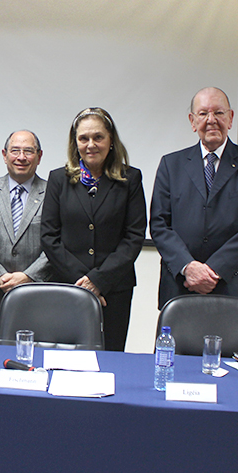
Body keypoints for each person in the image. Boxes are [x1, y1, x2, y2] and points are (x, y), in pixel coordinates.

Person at [149, 87, 238, 310]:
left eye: (219, 112)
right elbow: (159, 225)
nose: (211, 120)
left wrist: (214, 270)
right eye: (203, 113)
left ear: (231, 118)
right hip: (181, 285)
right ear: (192, 121)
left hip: (236, 286)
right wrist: (189, 267)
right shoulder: (171, 165)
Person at [41, 107, 146, 351]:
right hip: (68, 286)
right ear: (75, 142)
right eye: (83, 138)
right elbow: (49, 236)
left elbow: (133, 237)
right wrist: (84, 282)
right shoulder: (59, 179)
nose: (91, 144)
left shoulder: (130, 179)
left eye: (98, 137)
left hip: (115, 289)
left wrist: (98, 280)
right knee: (66, 357)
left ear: (111, 141)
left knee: (110, 356)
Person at [0, 130, 51, 324]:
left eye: (28, 151)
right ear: (4, 155)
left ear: (39, 156)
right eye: (15, 150)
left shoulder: (53, 193)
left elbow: (57, 242)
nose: (21, 157)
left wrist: (29, 276)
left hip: (37, 297)